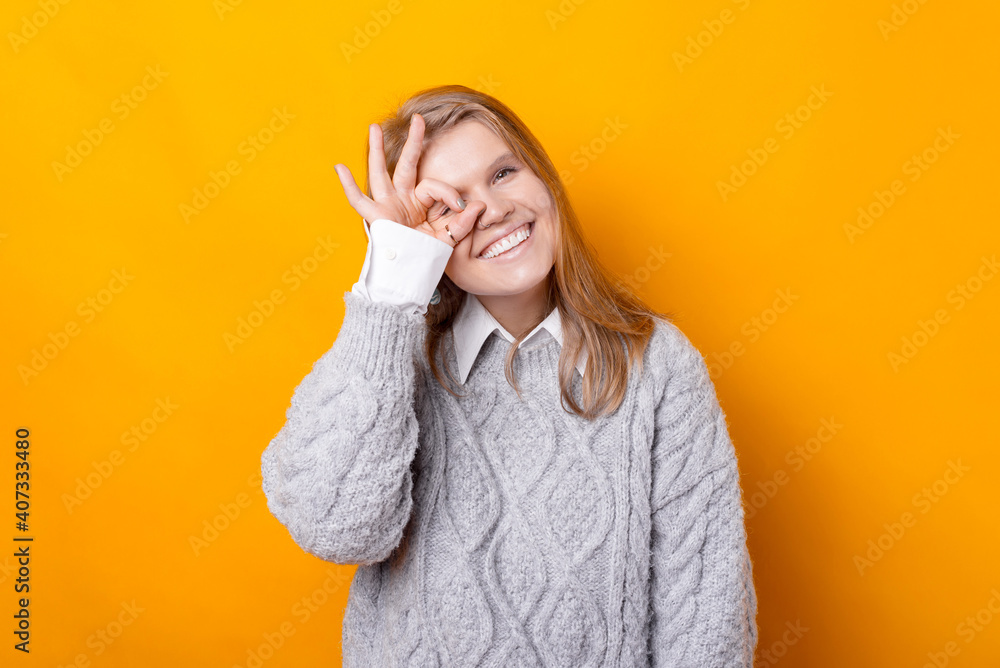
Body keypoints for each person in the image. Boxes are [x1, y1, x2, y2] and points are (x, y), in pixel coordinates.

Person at [260, 84, 759, 667]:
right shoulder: (391, 364)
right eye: (448, 205)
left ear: (542, 178)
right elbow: (337, 528)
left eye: (503, 174)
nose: (492, 211)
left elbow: (706, 614)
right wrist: (393, 282)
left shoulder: (658, 366)